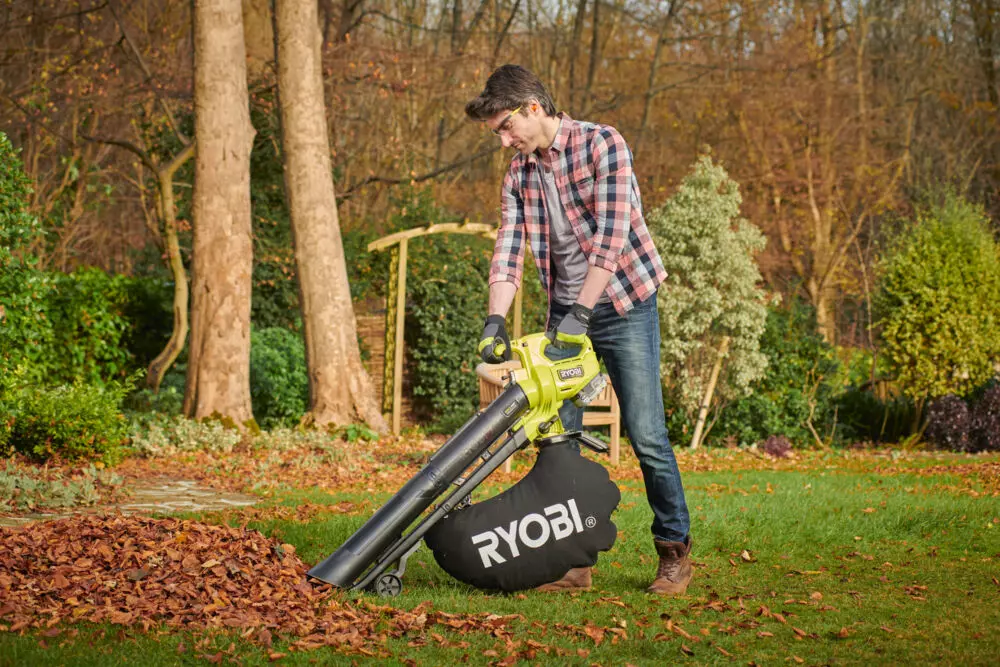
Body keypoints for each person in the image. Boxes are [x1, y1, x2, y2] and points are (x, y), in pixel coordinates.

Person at [465, 64, 693, 595]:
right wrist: (495, 318)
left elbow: (611, 239)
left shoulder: (602, 145)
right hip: (564, 313)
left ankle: (674, 551)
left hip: (623, 302)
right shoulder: (519, 176)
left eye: (505, 127)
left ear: (533, 108)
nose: (503, 141)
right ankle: (574, 562)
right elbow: (508, 247)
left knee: (646, 433)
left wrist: (583, 317)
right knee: (559, 434)